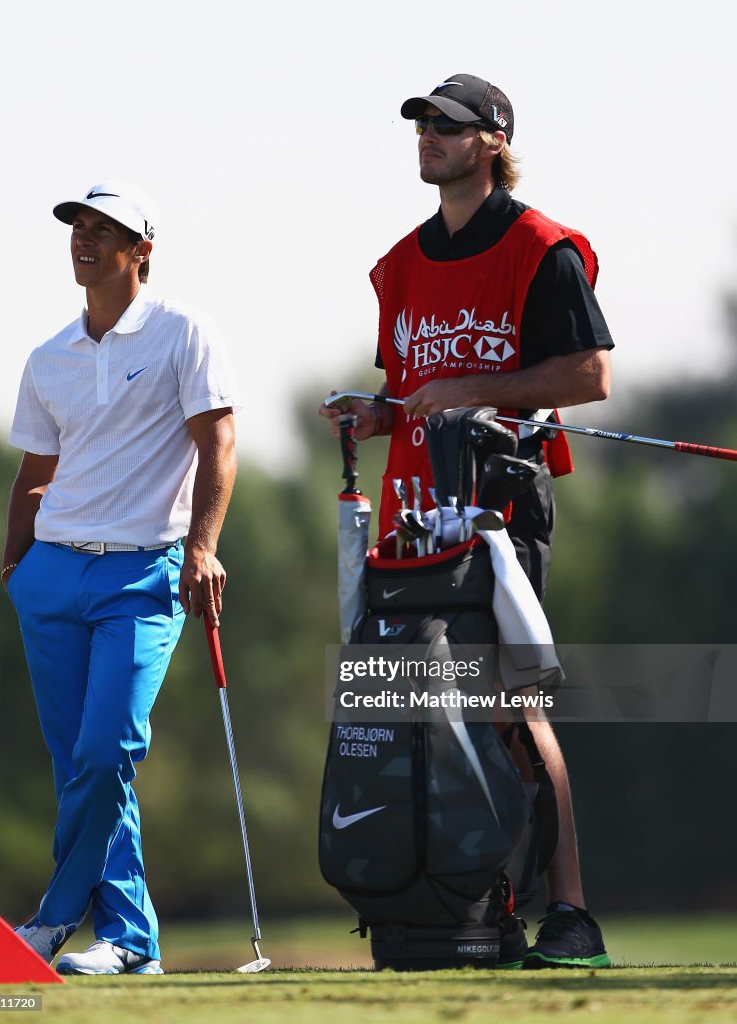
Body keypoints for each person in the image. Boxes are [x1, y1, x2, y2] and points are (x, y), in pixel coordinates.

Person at [319, 74, 613, 969]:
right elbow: (417, 396)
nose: (427, 136)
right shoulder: (401, 263)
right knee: (422, 709)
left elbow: (589, 376)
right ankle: (473, 906)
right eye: (420, 125)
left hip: (500, 512)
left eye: (445, 125)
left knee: (507, 704)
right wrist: (377, 414)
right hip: (412, 520)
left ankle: (571, 915)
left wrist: (469, 390)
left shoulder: (541, 248)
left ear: (491, 141)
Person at [2, 181, 239, 976]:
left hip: (144, 574)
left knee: (107, 752)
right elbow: (35, 474)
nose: (85, 241)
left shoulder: (181, 333)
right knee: (81, 767)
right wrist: (17, 567)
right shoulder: (48, 356)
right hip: (53, 575)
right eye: (78, 228)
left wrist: (203, 547)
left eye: (105, 231)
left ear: (142, 251)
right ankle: (131, 944)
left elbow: (220, 445)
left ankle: (53, 917)